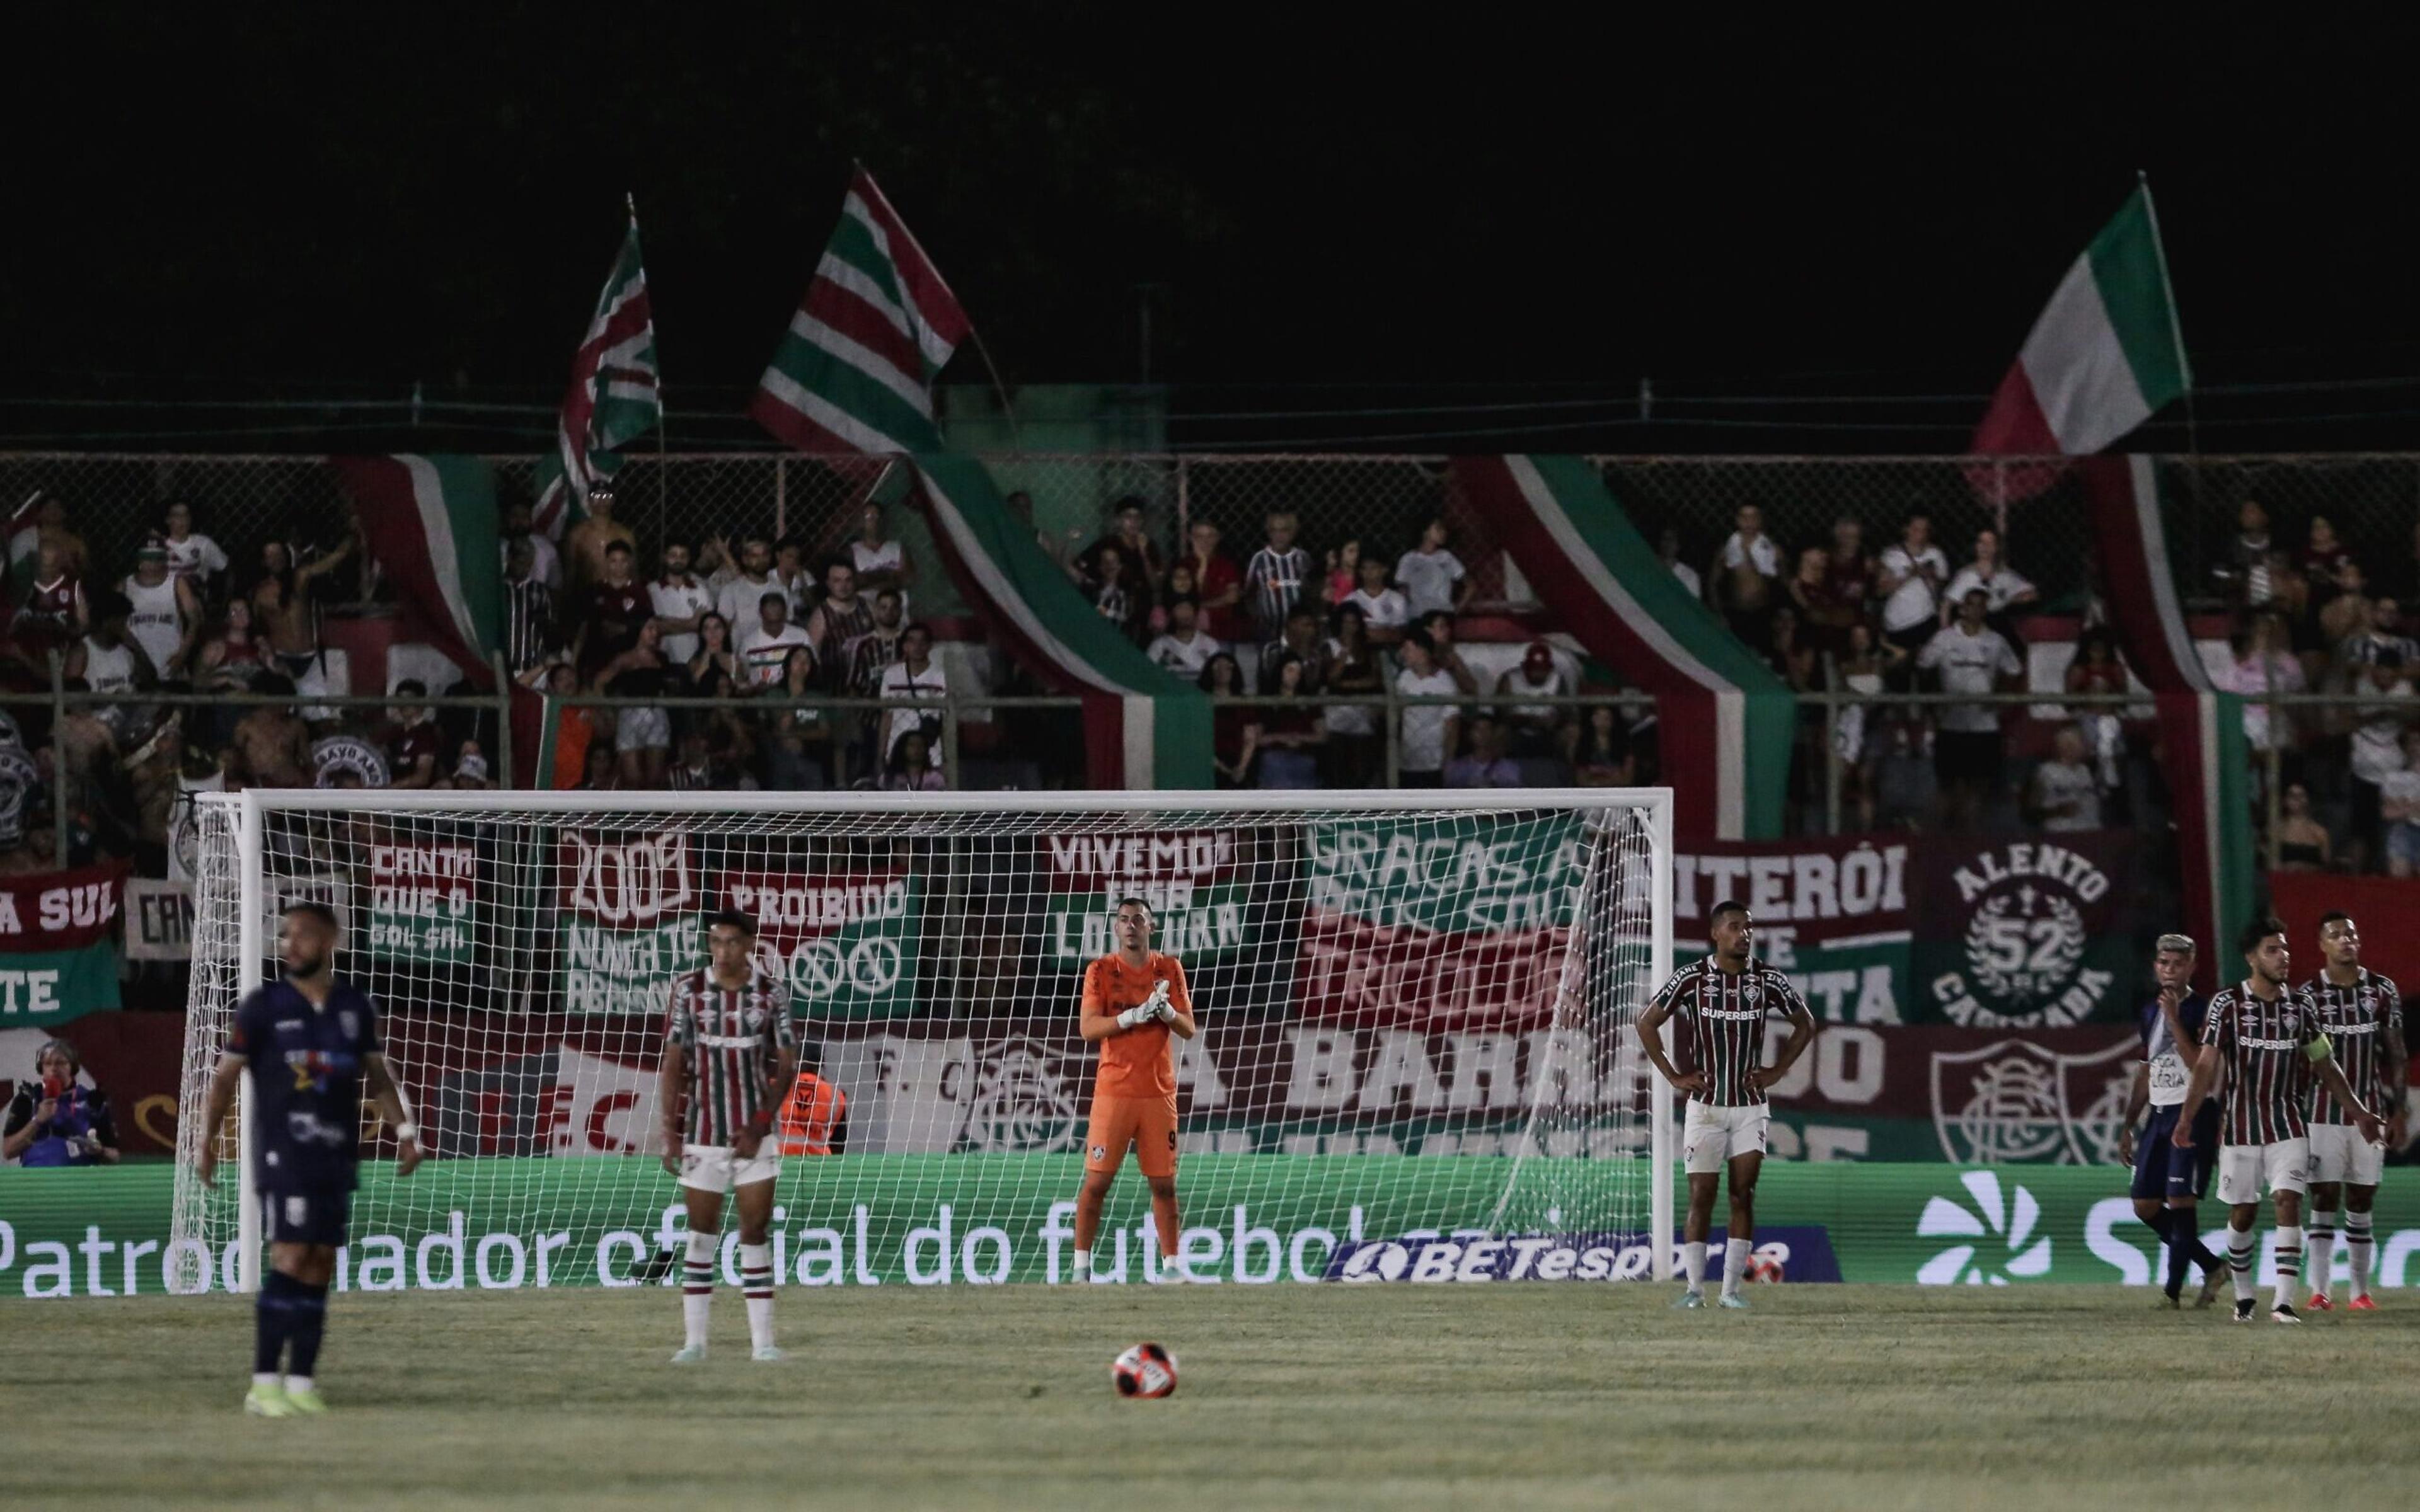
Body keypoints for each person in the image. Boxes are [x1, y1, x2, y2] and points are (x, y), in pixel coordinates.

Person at [194, 902, 424, 1416]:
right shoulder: (262, 1007)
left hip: (336, 1155)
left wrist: (404, 1130)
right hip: (283, 1152)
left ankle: (300, 1383)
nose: (289, 944)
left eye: (301, 935)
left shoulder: (353, 1008)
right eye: (284, 935)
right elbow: (225, 1080)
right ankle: (262, 1384)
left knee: (320, 1264)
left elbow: (378, 1076)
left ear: (330, 942)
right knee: (291, 1257)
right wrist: (205, 1141)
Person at [2173, 917, 2383, 1324]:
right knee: (2243, 1214)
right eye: (2273, 949)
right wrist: (2187, 1118)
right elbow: (2205, 1066)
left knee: (2289, 1201)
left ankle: (2283, 1302)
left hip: (2288, 1126)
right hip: (2240, 1129)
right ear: (2252, 958)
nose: (2283, 956)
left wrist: (2358, 1113)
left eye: (2285, 948)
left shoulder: (2301, 1006)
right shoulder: (2228, 1004)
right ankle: (2245, 1296)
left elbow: (2325, 1063)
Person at [1635, 900, 1817, 1310]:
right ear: (1716, 933)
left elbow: (1806, 1023)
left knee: (1743, 1194)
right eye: (1735, 927)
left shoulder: (1767, 979)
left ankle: (1731, 1291)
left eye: (1749, 928)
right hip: (1705, 1106)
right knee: (1701, 1195)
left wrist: (1779, 1070)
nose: (1744, 935)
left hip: (1750, 1106)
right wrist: (1673, 1076)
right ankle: (1694, 1290)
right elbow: (1646, 1022)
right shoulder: (1692, 978)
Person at [659, 909, 797, 1363]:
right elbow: (674, 1062)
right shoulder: (689, 991)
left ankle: (764, 1345)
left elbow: (786, 1065)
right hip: (703, 1130)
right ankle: (693, 1343)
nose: (722, 951)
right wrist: (669, 1131)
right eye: (715, 942)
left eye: (732, 942)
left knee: (754, 1230)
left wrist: (759, 1125)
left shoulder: (771, 995)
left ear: (750, 944)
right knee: (700, 1234)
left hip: (755, 1134)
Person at [1069, 897, 1201, 1285]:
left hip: (1159, 1094)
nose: (1131, 926)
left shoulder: (1169, 968)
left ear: (1151, 927)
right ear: (1115, 928)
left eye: (1138, 919)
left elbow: (1189, 1029)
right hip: (1114, 1093)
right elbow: (1088, 1029)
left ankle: (1173, 1268)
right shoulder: (1101, 970)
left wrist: (1167, 1014)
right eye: (1124, 920)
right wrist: (1131, 1016)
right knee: (1097, 1183)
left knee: (1163, 1184)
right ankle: (1081, 1269)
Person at [2295, 910, 2406, 1312]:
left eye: (2352, 934)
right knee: (2323, 1197)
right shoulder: (2308, 995)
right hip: (2321, 1114)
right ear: (2321, 944)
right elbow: (2299, 1060)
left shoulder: (2381, 990)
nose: (2346, 940)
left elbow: (2396, 1052)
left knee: (2361, 1200)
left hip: (2372, 1114)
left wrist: (2399, 1112)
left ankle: (2360, 1293)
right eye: (2337, 935)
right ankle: (2320, 1291)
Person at [2113, 935, 2225, 1309]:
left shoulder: (2206, 1010)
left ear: (2192, 967)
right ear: (2155, 967)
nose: (2169, 970)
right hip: (2159, 1115)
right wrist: (2130, 1124)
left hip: (2192, 1114)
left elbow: (2200, 1066)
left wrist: (2176, 1020)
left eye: (2178, 964)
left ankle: (2172, 1292)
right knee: (2145, 1205)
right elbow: (2146, 1071)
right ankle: (2211, 1266)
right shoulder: (2148, 1013)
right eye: (2163, 963)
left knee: (2180, 1201)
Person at [1917, 588, 2022, 829]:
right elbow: (1924, 668)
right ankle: (1938, 839)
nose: (1975, 610)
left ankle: (1968, 839)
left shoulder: (1996, 642)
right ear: (1962, 608)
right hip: (1951, 723)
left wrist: (1999, 700)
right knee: (1948, 786)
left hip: (1984, 726)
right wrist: (1933, 704)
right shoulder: (1944, 639)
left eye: (1981, 605)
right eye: (1971, 604)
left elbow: (2014, 672)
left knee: (1978, 786)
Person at [3, 1038, 120, 1167]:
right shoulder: (28, 1098)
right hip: (37, 1179)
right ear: (41, 1069)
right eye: (48, 1064)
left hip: (81, 1178)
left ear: (72, 1067)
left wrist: (100, 1151)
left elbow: (116, 1156)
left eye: (60, 1063)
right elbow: (8, 1151)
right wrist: (37, 1121)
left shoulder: (93, 1100)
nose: (54, 1069)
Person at [120, 536, 202, 679]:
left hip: (171, 662)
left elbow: (195, 621)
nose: (152, 564)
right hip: (138, 665)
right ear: (139, 560)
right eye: (148, 558)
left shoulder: (177, 583)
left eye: (157, 558)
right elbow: (116, 625)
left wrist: (182, 655)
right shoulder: (125, 585)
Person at [1876, 512, 1949, 658]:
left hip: (1927, 620)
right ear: (1906, 529)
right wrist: (1910, 575)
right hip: (1898, 622)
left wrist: (1933, 576)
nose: (1921, 534)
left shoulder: (1936, 554)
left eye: (1925, 530)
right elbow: (1880, 591)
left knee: (1926, 670)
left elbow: (1942, 589)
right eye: (1916, 529)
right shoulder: (1891, 555)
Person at [877, 622, 947, 770]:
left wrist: (947, 756)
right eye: (912, 641)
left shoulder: (940, 676)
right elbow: (887, 716)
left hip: (931, 749)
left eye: (922, 641)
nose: (918, 646)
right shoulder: (892, 675)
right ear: (904, 646)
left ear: (929, 646)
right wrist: (881, 754)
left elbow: (945, 719)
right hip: (897, 747)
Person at [1395, 631, 1460, 786]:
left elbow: (1452, 726)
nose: (1404, 654)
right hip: (1406, 762)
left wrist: (1448, 763)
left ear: (1422, 651)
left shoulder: (1445, 683)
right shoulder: (1404, 678)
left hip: (1433, 764)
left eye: (1408, 649)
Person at [1941, 528, 2039, 630]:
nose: (1985, 546)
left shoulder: (2005, 575)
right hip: (1971, 625)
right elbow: (1946, 606)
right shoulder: (1966, 575)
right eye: (1981, 542)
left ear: (1996, 548)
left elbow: (2032, 594)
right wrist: (1946, 633)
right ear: (1976, 546)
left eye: (1990, 543)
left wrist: (2009, 600)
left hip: (1997, 622)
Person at [1495, 641, 1574, 761]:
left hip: (1548, 731)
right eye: (1534, 669)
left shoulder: (1557, 679)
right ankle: (1497, 771)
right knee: (1500, 732)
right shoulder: (1510, 679)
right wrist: (1525, 720)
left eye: (1541, 670)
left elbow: (1566, 712)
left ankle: (1567, 772)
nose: (1537, 674)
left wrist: (1556, 720)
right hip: (1517, 730)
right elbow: (1501, 714)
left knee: (1570, 731)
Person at [1243, 510, 1311, 646]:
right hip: (1269, 632)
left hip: (1297, 632)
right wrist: (1258, 619)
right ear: (1269, 533)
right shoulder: (1259, 559)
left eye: (1284, 531)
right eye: (1274, 530)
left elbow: (1308, 591)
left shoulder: (1302, 558)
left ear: (1293, 533)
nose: (1279, 536)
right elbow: (1248, 594)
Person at [10, 539, 87, 655]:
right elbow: (10, 620)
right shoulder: (24, 583)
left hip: (58, 650)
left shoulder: (71, 586)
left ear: (60, 563)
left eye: (50, 566)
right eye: (42, 564)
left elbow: (83, 624)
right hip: (24, 650)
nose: (44, 570)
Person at [775, 1042, 851, 1157]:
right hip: (818, 1168)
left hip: (781, 1164)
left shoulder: (777, 1088)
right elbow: (839, 1147)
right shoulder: (835, 1095)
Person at [802, 559, 875, 678]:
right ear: (828, 583)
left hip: (867, 680)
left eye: (848, 580)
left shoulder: (868, 607)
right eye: (837, 581)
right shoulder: (821, 615)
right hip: (836, 683)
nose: (843, 586)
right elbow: (813, 655)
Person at [648, 541, 714, 668]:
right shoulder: (652, 590)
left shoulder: (701, 590)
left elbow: (708, 626)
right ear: (664, 558)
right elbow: (655, 628)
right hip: (660, 661)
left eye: (683, 556)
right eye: (673, 555)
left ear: (689, 559)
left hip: (696, 662)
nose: (678, 560)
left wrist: (668, 622)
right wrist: (693, 622)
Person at [1179, 518, 1245, 644]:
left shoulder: (1227, 565)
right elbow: (1187, 599)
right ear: (1190, 538)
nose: (1205, 542)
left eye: (1210, 536)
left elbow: (1232, 597)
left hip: (1222, 633)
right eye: (1199, 536)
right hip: (1190, 635)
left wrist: (1200, 606)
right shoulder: (1183, 565)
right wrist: (1203, 565)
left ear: (1218, 538)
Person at [2025, 725, 2101, 832]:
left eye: (2079, 743)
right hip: (2061, 834)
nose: (2079, 747)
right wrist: (2059, 811)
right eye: (2069, 744)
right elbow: (2030, 812)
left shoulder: (2086, 771)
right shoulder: (2045, 772)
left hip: (2091, 831)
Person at [562, 479, 637, 590]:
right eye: (597, 496)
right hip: (587, 596)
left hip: (618, 595)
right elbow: (570, 573)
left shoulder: (625, 534)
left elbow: (633, 572)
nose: (602, 499)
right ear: (589, 501)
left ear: (613, 500)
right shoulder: (577, 535)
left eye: (607, 496)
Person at [1395, 518, 1470, 620]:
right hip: (1418, 615)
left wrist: (1456, 611)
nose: (1443, 533)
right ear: (1425, 532)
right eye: (1438, 529)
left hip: (1443, 614)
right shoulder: (1409, 559)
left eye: (1444, 529)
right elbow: (1402, 591)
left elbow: (1471, 586)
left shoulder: (1447, 557)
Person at [502, 536, 558, 675]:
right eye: (521, 563)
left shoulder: (539, 591)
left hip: (532, 668)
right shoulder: (497, 590)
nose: (525, 569)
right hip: (503, 668)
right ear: (509, 558)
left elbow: (549, 629)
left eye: (529, 564)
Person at [1202, 653, 1257, 788]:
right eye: (1217, 667)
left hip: (1238, 760)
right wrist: (1222, 768)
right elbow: (1200, 740)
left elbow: (1250, 739)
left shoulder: (1242, 702)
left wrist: (1242, 767)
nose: (1222, 671)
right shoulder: (1201, 702)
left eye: (1227, 667)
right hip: (1209, 761)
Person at [737, 591, 811, 691]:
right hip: (760, 699)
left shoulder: (801, 636)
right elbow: (743, 676)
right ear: (761, 613)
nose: (774, 627)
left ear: (785, 613)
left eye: (778, 622)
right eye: (770, 623)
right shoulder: (748, 643)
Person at [383, 680, 444, 789]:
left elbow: (422, 778)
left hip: (416, 799)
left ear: (421, 702)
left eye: (409, 698)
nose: (403, 703)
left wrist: (389, 788)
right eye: (400, 699)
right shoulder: (395, 733)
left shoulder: (428, 732)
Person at [713, 536, 782, 633]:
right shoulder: (730, 590)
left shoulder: (780, 589)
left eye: (765, 554)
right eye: (755, 556)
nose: (761, 559)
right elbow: (722, 628)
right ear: (745, 560)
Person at [1145, 595, 1221, 682]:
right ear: (1171, 615)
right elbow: (1148, 675)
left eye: (1188, 609)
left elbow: (1219, 675)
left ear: (1196, 614)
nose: (1185, 614)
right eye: (1180, 609)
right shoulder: (1159, 645)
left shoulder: (1210, 644)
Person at [161, 500, 231, 593]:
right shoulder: (159, 546)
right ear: (168, 520)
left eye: (186, 515)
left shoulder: (203, 544)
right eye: (177, 516)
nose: (183, 520)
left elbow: (227, 570)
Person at [849, 503, 913, 599]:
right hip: (866, 601)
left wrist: (870, 577)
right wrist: (889, 575)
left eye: (877, 515)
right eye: (868, 516)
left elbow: (907, 578)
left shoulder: (896, 547)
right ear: (861, 522)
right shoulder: (853, 550)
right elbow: (854, 581)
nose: (874, 520)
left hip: (894, 600)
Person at [1342, 554, 1409, 644]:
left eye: (1373, 568)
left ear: (1385, 570)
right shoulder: (1351, 600)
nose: (1369, 572)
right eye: (1365, 569)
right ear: (1360, 572)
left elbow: (1400, 634)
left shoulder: (1397, 600)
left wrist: (1369, 633)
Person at [2381, 729, 2420, 876]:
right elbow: (2387, 813)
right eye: (2414, 742)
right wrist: (2410, 809)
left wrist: (2406, 806)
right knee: (2400, 878)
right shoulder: (2393, 778)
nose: (2417, 747)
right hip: (2403, 831)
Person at [1444, 714, 1523, 787]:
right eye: (1478, 729)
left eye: (1487, 729)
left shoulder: (1508, 768)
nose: (1483, 734)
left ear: (1493, 733)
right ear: (1470, 734)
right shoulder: (1459, 768)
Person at [2272, 781, 2331, 872]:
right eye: (2292, 795)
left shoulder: (2320, 833)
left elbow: (2327, 866)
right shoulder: (2276, 830)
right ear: (2284, 800)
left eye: (2301, 795)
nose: (2297, 799)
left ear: (2307, 799)